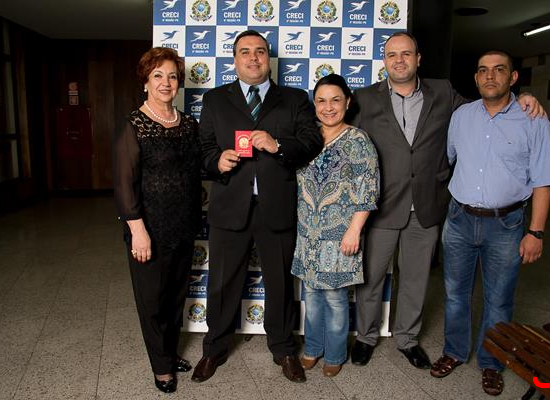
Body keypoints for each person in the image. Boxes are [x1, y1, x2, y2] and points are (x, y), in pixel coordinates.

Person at [350, 32, 545, 369]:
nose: (399, 60)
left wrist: (523, 97)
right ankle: (365, 337)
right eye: (392, 54)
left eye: (406, 53)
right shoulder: (365, 98)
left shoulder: (443, 92)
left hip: (426, 206)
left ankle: (407, 339)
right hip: (380, 206)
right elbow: (341, 132)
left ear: (418, 58)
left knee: (415, 280)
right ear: (384, 61)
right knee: (371, 278)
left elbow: (487, 105)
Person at [192, 30, 323, 383]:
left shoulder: (293, 98)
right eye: (245, 52)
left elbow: (311, 141)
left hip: (276, 207)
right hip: (229, 206)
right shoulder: (215, 99)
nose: (253, 58)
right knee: (222, 283)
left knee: (279, 283)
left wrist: (277, 144)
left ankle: (283, 348)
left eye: (260, 51)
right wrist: (216, 161)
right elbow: (203, 148)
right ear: (235, 59)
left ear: (269, 58)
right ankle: (214, 349)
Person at [430, 50, 550, 396]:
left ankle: (491, 362)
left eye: (499, 70)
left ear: (513, 78)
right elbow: (450, 159)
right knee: (455, 294)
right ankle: (455, 352)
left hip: (506, 224)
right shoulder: (461, 116)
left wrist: (536, 232)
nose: (490, 76)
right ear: (475, 78)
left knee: (499, 299)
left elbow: (543, 182)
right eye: (483, 70)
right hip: (459, 219)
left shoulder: (534, 120)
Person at [112, 47, 201, 393]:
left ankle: (169, 352)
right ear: (146, 82)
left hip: (184, 226)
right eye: (158, 76)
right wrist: (137, 231)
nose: (166, 82)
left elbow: (197, 169)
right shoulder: (134, 124)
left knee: (175, 297)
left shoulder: (188, 124)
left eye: (172, 76)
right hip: (148, 230)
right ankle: (160, 366)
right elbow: (123, 184)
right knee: (152, 301)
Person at [291, 74, 379, 378]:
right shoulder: (308, 137)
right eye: (321, 101)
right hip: (308, 233)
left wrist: (354, 230)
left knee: (335, 299)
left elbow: (368, 190)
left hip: (341, 234)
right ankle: (313, 348)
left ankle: (336, 353)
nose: (328, 107)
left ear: (348, 102)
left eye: (335, 100)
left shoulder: (359, 141)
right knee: (311, 295)